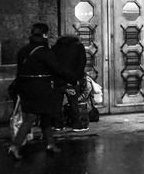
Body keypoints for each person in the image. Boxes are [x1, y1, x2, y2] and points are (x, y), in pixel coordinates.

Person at [7, 23, 70, 159]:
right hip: (42, 89)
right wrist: (71, 77)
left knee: (45, 115)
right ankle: (15, 146)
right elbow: (57, 69)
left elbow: (19, 71)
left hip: (26, 88)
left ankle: (50, 143)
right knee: (31, 117)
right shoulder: (45, 52)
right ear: (45, 34)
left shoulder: (23, 50)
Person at [53, 35, 90, 130]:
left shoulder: (56, 47)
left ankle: (58, 125)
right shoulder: (78, 47)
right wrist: (76, 78)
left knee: (57, 103)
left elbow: (53, 64)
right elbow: (82, 63)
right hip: (72, 80)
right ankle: (77, 125)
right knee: (74, 103)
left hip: (58, 79)